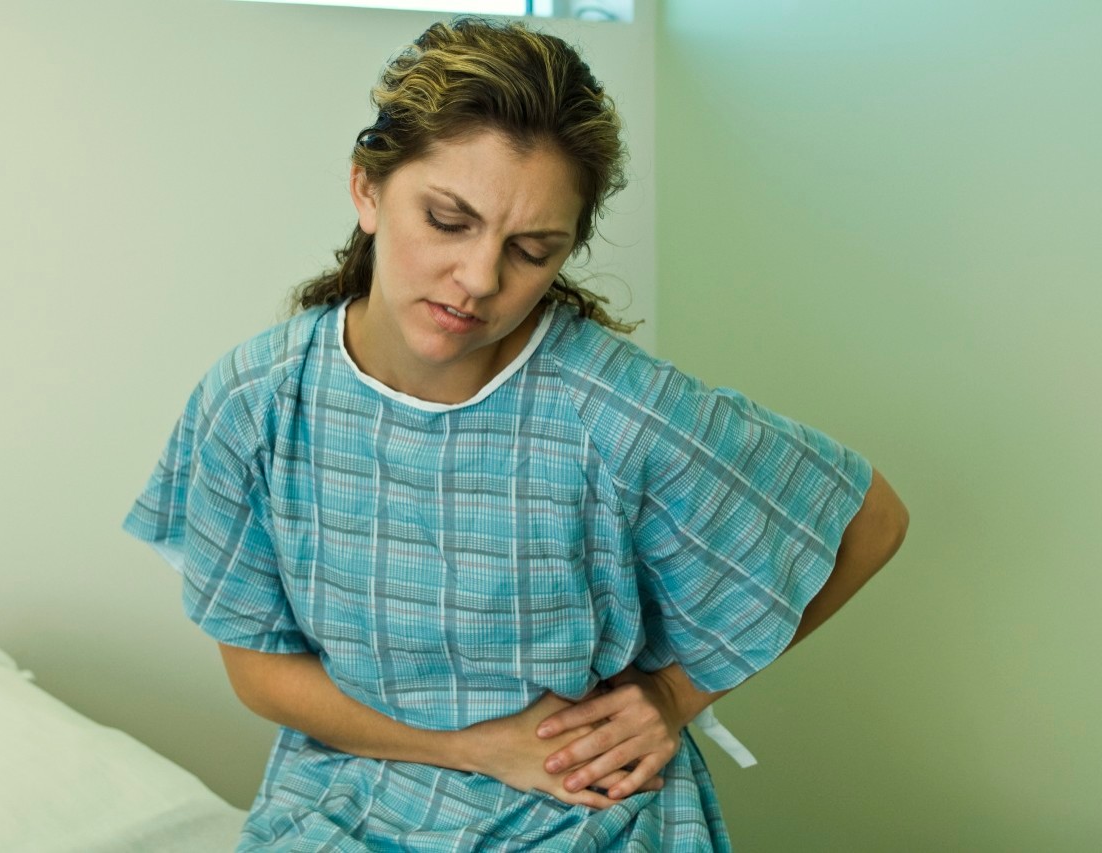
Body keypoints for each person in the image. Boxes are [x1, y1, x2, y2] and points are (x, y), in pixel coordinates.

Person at [122, 15, 909, 852]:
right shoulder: (257, 401)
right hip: (346, 796)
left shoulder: (612, 407)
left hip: (576, 809)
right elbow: (258, 667)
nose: (480, 278)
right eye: (448, 220)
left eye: (532, 249)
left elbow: (871, 517)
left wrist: (675, 696)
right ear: (367, 190)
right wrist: (470, 749)